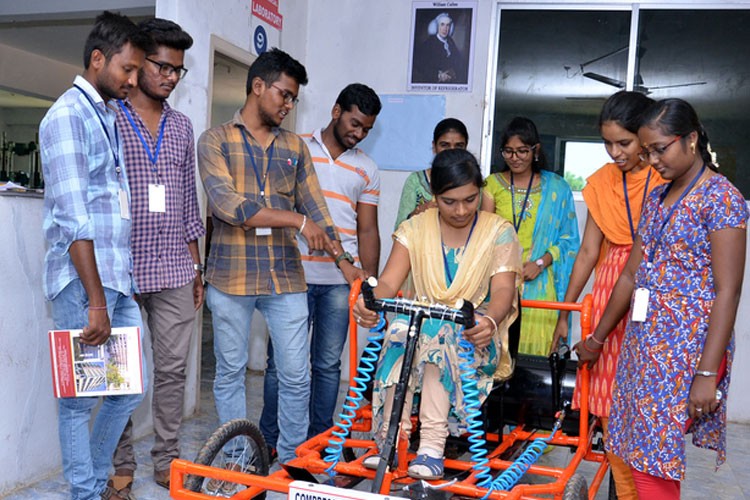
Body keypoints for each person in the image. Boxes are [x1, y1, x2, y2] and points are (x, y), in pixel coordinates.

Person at [576, 98, 747, 499]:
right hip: (644, 346)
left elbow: (729, 290)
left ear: (690, 139)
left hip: (686, 352)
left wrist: (706, 374)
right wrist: (598, 339)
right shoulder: (658, 198)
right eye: (648, 150)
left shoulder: (721, 199)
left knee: (654, 460)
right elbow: (631, 274)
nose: (652, 159)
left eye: (660, 149)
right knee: (632, 450)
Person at [197, 48, 344, 465]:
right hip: (230, 278)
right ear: (258, 86)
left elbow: (317, 210)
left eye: (294, 98)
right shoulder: (214, 141)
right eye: (284, 94)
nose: (288, 104)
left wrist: (346, 263)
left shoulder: (295, 147)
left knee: (296, 376)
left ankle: (295, 461)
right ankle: (239, 457)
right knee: (230, 374)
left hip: (284, 279)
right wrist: (296, 222)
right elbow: (229, 206)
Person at [354, 149, 521, 480]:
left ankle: (431, 447)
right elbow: (388, 281)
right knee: (400, 330)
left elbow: (504, 291)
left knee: (441, 336)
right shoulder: (415, 228)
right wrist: (369, 300)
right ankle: (388, 441)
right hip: (416, 330)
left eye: (470, 199)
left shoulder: (498, 231)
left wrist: (488, 321)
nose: (461, 210)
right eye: (449, 201)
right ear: (434, 196)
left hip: (474, 337)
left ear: (481, 192)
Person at [38, 11, 151, 500]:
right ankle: (85, 492)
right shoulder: (65, 116)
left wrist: (112, 290)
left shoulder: (105, 113)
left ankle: (93, 479)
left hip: (115, 281)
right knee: (78, 402)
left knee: (130, 390)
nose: (133, 81)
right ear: (97, 59)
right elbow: (74, 218)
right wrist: (96, 300)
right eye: (127, 70)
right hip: (83, 285)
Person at [549, 91, 666, 500]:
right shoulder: (600, 183)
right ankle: (623, 490)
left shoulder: (665, 178)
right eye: (608, 143)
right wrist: (566, 313)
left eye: (625, 143)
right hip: (607, 299)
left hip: (651, 298)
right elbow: (586, 252)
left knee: (642, 408)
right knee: (611, 410)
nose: (615, 152)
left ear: (646, 137)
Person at [109, 18, 204, 494]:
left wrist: (196, 267)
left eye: (177, 71)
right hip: (120, 270)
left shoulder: (182, 126)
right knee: (120, 375)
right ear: (138, 61)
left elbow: (188, 201)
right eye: (162, 66)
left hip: (172, 268)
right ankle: (120, 464)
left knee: (171, 371)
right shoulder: (108, 116)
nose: (169, 77)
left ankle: (167, 459)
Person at [259, 83, 382, 452]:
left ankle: (318, 440)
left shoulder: (366, 168)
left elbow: (367, 229)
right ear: (335, 110)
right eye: (354, 123)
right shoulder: (294, 147)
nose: (358, 133)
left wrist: (369, 284)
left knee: (327, 366)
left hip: (339, 282)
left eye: (366, 129)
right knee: (280, 366)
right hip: (290, 278)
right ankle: (268, 438)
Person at [485, 117, 579, 355]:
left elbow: (569, 240)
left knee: (532, 363)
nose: (515, 158)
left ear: (535, 150)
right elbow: (483, 236)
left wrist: (540, 262)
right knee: (493, 354)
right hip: (497, 281)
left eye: (522, 151)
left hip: (540, 284)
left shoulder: (558, 187)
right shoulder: (491, 185)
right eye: (509, 151)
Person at [395, 118, 492, 228]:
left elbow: (480, 225)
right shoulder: (415, 181)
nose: (451, 150)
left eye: (459, 145)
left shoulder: (473, 182)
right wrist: (420, 211)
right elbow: (399, 229)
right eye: (444, 145)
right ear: (434, 146)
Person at [412, 12, 468, 84]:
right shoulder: (429, 43)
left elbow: (458, 61)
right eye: (442, 25)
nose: (445, 28)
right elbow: (420, 65)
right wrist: (438, 75)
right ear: (437, 27)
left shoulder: (450, 42)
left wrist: (454, 72)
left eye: (448, 25)